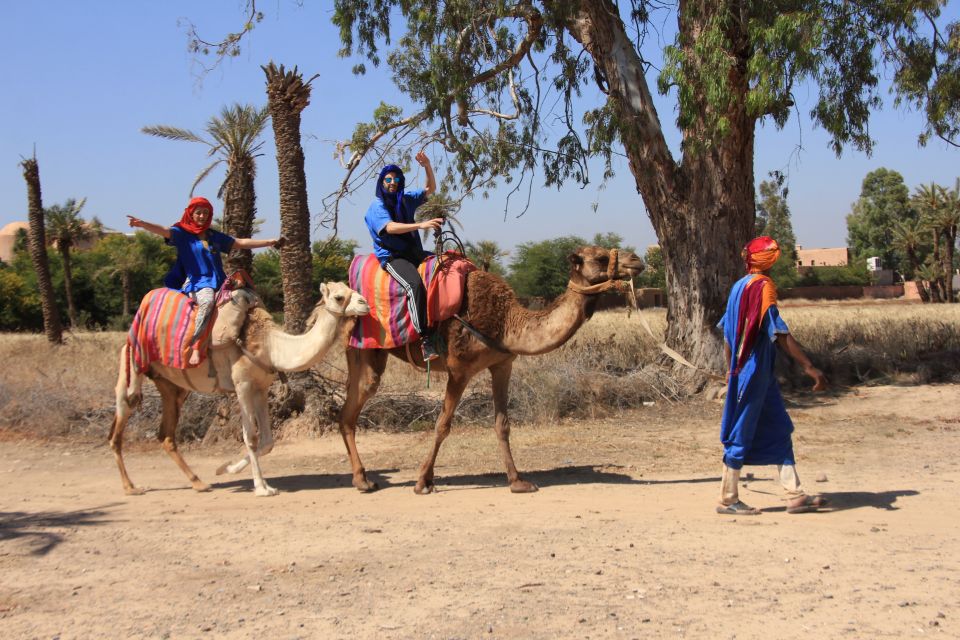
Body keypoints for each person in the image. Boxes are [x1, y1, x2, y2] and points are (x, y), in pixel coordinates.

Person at [715, 236, 829, 515]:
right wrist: (808, 366)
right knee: (739, 432)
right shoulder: (763, 287)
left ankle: (795, 493)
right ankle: (728, 499)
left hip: (753, 373)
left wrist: (731, 370)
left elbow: (728, 334)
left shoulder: (738, 287)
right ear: (771, 260)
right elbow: (777, 331)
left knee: (780, 428)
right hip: (753, 371)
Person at [127, 196, 281, 366]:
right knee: (207, 301)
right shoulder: (181, 233)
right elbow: (163, 230)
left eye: (205, 213)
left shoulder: (214, 236)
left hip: (220, 283)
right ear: (191, 214)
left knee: (250, 296)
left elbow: (240, 242)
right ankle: (196, 345)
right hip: (198, 284)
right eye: (198, 213)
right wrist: (142, 224)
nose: (202, 216)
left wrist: (268, 242)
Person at [364, 150, 442, 362]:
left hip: (414, 252)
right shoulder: (377, 206)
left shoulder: (406, 199)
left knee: (445, 268)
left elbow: (430, 189)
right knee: (414, 285)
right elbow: (389, 228)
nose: (392, 182)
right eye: (388, 179)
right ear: (382, 182)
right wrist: (421, 224)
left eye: (396, 178)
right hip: (393, 256)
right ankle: (425, 339)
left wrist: (427, 165)